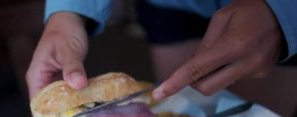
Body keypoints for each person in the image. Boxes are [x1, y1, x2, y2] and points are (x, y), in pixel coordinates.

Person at [26, 0, 297, 101]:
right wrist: (69, 12)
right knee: (181, 109)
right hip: (173, 5)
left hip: (268, 18)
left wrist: (284, 13)